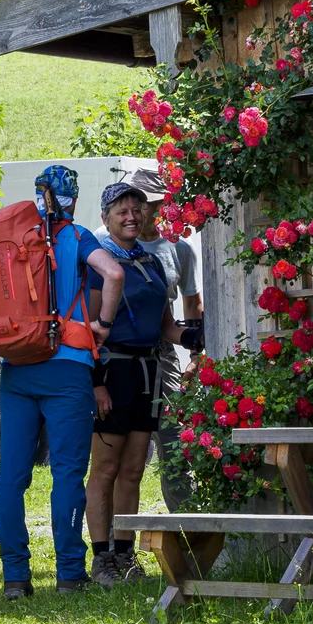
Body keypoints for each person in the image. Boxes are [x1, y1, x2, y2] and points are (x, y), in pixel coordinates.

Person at [0, 165, 122, 598]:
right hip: (68, 370)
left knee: (11, 474)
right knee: (66, 473)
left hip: (18, 369)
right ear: (73, 197)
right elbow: (115, 275)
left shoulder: (8, 243)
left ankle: (14, 577)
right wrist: (102, 323)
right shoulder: (79, 236)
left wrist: (5, 327)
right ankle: (69, 574)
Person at [85, 181, 189, 583]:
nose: (131, 216)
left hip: (149, 373)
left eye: (137, 209)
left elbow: (166, 328)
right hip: (113, 372)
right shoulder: (99, 264)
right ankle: (102, 559)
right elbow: (90, 331)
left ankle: (125, 556)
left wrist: (192, 335)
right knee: (106, 469)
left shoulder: (152, 260)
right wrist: (97, 385)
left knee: (132, 471)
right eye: (121, 211)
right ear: (106, 218)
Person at [125, 166, 204, 516]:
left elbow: (191, 304)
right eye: (137, 202)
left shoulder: (178, 249)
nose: (143, 211)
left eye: (151, 203)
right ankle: (115, 542)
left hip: (164, 353)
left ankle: (188, 533)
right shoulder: (105, 242)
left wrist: (196, 355)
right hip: (121, 355)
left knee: (175, 443)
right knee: (125, 453)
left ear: (162, 205)